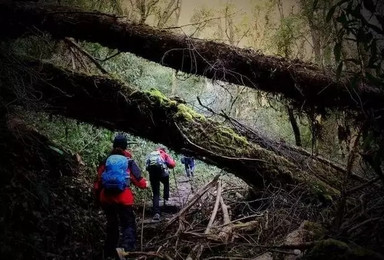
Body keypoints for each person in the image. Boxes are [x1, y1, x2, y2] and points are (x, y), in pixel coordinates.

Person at [94, 133, 148, 259]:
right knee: (128, 224)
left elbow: (98, 182)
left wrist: (98, 197)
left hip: (106, 198)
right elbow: (138, 180)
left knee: (111, 224)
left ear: (113, 145)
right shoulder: (128, 161)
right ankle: (126, 250)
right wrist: (145, 184)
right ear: (125, 147)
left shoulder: (106, 160)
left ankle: (109, 251)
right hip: (124, 199)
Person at [145, 147, 175, 221]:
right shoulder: (164, 154)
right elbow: (171, 164)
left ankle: (156, 213)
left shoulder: (151, 155)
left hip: (153, 175)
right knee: (166, 183)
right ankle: (166, 197)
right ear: (163, 150)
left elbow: (147, 167)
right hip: (163, 174)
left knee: (156, 193)